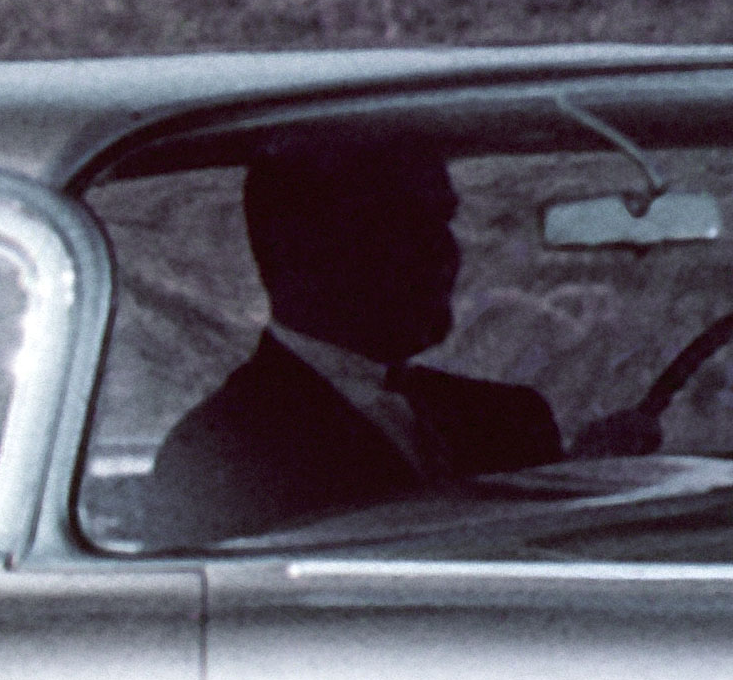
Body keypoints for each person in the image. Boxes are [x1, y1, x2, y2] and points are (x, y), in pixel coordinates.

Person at [138, 143, 565, 549]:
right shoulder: (222, 456)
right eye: (402, 230)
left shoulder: (508, 419)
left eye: (441, 224)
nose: (443, 254)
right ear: (303, 253)